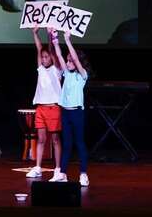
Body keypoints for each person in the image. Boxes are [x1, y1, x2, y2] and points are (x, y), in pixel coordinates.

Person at [51, 29, 93, 186]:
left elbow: (74, 57)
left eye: (71, 61)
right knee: (67, 144)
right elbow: (59, 56)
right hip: (65, 113)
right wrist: (55, 40)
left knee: (79, 143)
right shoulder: (67, 73)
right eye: (67, 61)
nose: (68, 63)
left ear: (77, 62)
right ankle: (62, 173)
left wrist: (67, 40)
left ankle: (83, 174)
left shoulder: (82, 75)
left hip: (77, 113)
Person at [25, 27, 63, 179]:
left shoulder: (57, 70)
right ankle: (38, 167)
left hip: (54, 108)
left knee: (55, 139)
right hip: (40, 108)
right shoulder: (41, 69)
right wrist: (34, 33)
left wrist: (49, 35)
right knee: (40, 139)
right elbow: (39, 48)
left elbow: (51, 50)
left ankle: (58, 169)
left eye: (47, 57)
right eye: (43, 57)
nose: (44, 59)